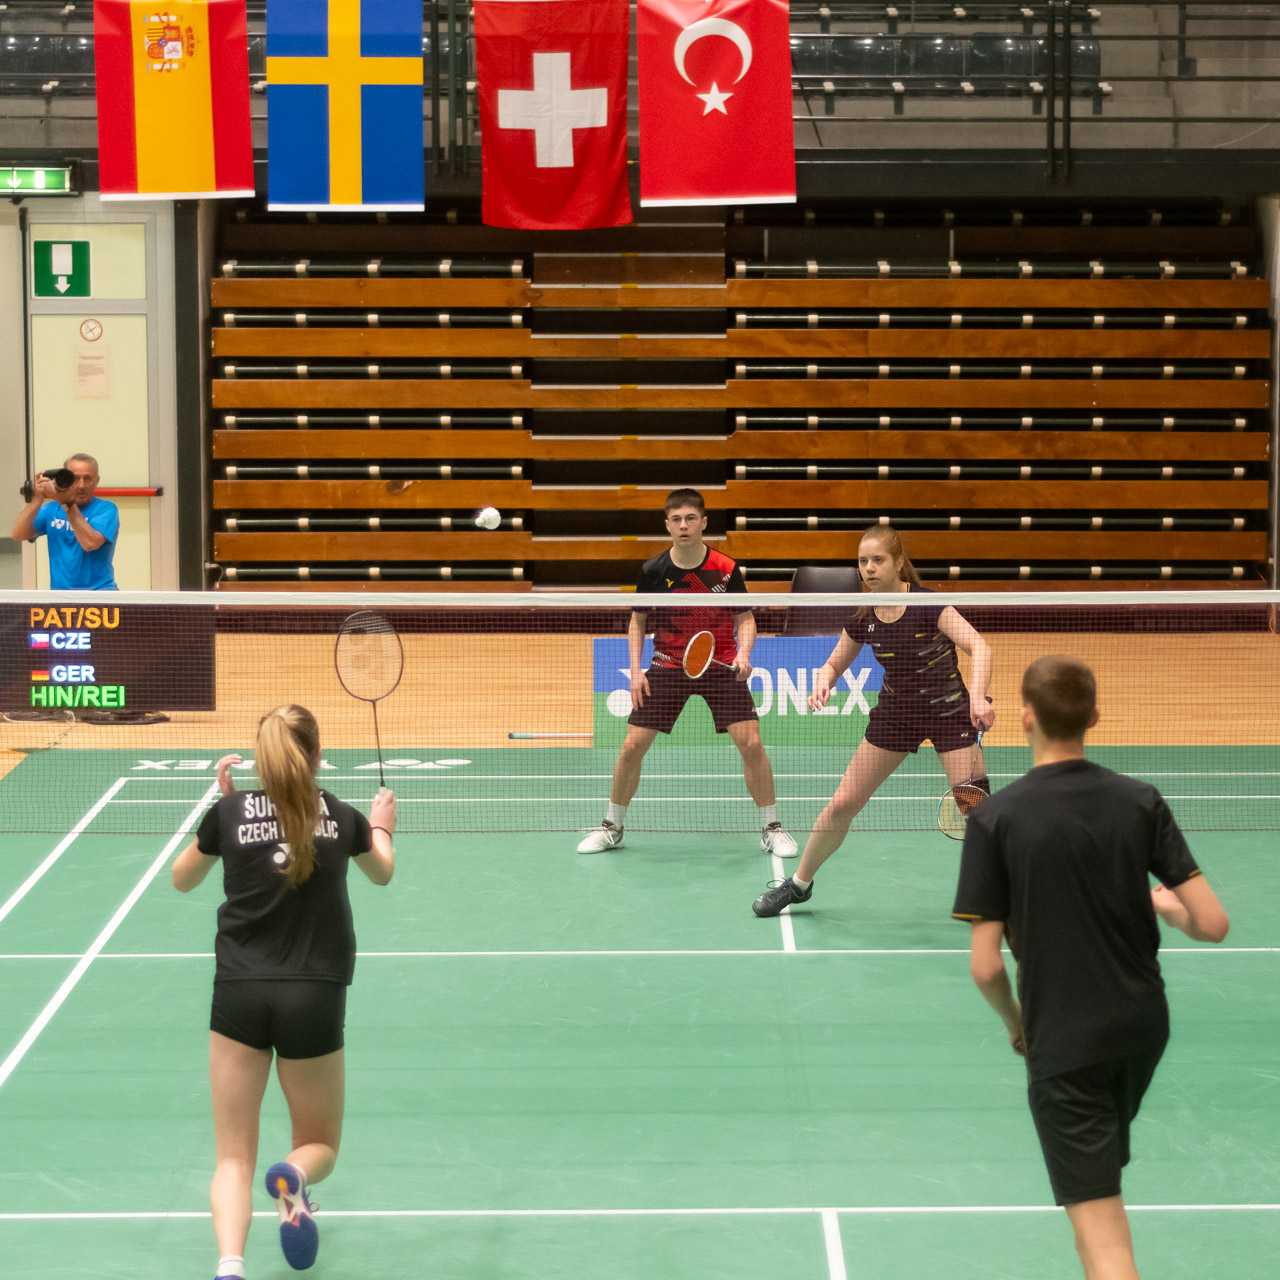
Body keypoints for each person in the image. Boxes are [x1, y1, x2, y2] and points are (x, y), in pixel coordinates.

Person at [953, 655, 1229, 1280]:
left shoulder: (995, 820)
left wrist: (1017, 1027)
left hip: (1066, 1040)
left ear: (1025, 716)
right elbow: (1212, 923)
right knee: (1097, 1208)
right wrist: (1169, 910)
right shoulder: (1140, 800)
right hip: (1142, 1028)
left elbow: (985, 967)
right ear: (1096, 717)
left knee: (1104, 1239)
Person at [171, 706, 397, 1280]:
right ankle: (293, 1178)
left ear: (262, 759)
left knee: (232, 1157)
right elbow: (383, 872)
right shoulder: (341, 817)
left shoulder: (228, 813)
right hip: (314, 996)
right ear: (317, 755)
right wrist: (382, 825)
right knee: (318, 1143)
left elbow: (181, 878)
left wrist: (222, 812)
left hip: (239, 995)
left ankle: (229, 1266)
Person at [752, 523, 994, 916]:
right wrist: (824, 679)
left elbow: (979, 647)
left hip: (949, 713)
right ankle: (798, 885)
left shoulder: (928, 605)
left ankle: (1004, 891)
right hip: (896, 715)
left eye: (877, 560)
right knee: (843, 802)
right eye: (863, 561)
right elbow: (834, 662)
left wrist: (978, 697)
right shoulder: (864, 613)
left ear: (898, 562)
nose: (869, 568)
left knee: (976, 810)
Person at [577, 487, 798, 859]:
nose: (684, 525)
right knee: (632, 746)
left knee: (751, 744)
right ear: (667, 525)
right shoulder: (653, 571)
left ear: (703, 522)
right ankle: (612, 827)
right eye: (676, 519)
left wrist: (745, 653)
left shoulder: (726, 569)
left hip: (720, 665)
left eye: (691, 518)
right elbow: (637, 622)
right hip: (667, 664)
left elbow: (746, 620)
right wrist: (636, 671)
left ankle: (772, 828)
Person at [11, 454, 119, 590]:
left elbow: (90, 543)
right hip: (60, 595)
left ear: (96, 481)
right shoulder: (51, 509)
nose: (81, 485)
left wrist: (67, 503)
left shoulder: (106, 509)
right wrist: (38, 499)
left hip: (100, 593)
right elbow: (18, 535)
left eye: (87, 478)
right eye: (75, 478)